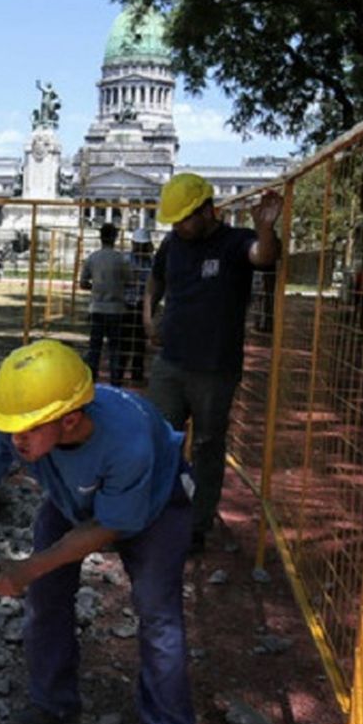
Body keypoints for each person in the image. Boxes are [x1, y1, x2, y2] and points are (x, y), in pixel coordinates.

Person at [0, 339, 196, 724]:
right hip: (75, 498)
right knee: (46, 598)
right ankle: (53, 700)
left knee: (158, 616)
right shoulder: (16, 420)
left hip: (152, 505)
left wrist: (26, 569)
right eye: (10, 429)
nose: (15, 440)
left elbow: (107, 529)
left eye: (26, 432)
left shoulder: (127, 441)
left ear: (70, 419)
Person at [144, 173, 283, 555]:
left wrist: (265, 229)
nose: (178, 227)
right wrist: (147, 314)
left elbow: (263, 256)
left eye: (185, 218)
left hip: (214, 367)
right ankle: (156, 511)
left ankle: (196, 523)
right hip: (170, 362)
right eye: (174, 221)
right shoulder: (173, 244)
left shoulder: (234, 243)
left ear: (208, 210)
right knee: (158, 439)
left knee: (206, 444)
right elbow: (155, 280)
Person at [79, 223, 131, 383]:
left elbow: (83, 282)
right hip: (116, 309)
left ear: (100, 238)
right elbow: (129, 281)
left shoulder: (93, 257)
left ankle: (92, 380)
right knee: (115, 349)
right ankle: (115, 381)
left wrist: (95, 287)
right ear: (115, 238)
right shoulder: (120, 259)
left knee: (95, 348)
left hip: (97, 308)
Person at [119, 228, 155, 383]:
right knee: (124, 341)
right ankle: (118, 373)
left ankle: (136, 373)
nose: (140, 248)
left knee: (140, 343)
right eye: (138, 245)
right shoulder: (125, 260)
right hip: (126, 304)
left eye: (144, 245)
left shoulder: (152, 262)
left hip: (142, 305)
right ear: (133, 244)